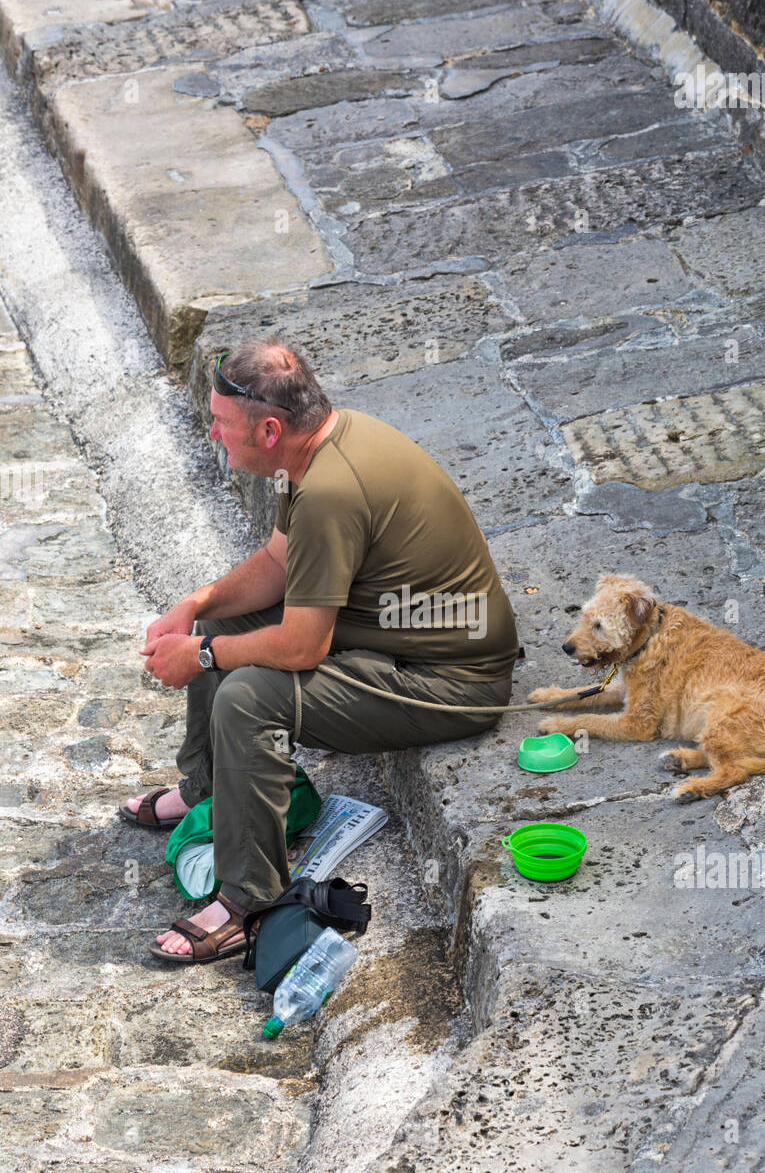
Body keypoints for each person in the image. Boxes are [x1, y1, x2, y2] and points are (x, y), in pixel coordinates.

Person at [121, 339, 519, 961]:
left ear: (271, 429)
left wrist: (199, 655)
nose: (212, 436)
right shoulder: (317, 448)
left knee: (248, 693)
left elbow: (303, 646)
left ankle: (246, 900)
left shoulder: (331, 490)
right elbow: (279, 565)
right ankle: (208, 791)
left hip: (449, 681)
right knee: (221, 633)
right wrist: (196, 605)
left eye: (222, 425)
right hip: (389, 637)